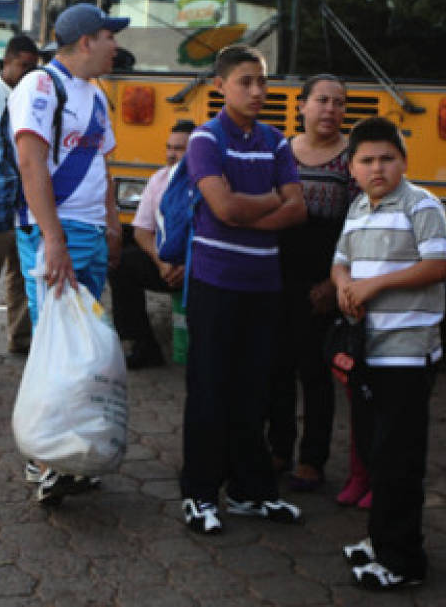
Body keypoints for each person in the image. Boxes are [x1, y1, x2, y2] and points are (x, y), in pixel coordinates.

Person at [180, 44, 306, 535]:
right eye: (245, 82)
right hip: (216, 284)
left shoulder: (276, 141)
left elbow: (297, 209)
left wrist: (248, 204)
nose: (257, 91)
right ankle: (199, 494)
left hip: (263, 284)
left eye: (262, 81)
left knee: (256, 391)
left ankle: (252, 492)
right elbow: (223, 208)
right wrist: (270, 199)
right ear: (220, 86)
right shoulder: (204, 141)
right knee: (209, 390)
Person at [332, 116, 446, 590]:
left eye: (387, 158)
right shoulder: (359, 207)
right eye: (367, 160)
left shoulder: (422, 205)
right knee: (375, 451)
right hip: (368, 350)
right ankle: (379, 539)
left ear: (403, 162)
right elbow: (341, 261)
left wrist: (374, 285)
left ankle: (403, 562)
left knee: (400, 459)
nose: (377, 168)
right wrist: (344, 286)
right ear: (352, 168)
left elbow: (439, 264)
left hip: (406, 352)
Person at [11, 3, 126, 505]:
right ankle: (45, 458)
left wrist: (114, 226)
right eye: (108, 36)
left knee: (83, 346)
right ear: (85, 41)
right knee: (55, 345)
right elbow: (30, 164)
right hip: (52, 232)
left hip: (90, 234)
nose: (115, 45)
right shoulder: (40, 87)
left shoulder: (97, 96)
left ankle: (73, 450)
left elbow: (105, 166)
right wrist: (53, 239)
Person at [268, 75, 354, 492]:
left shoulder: (353, 159)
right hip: (277, 272)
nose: (330, 110)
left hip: (323, 278)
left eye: (339, 103)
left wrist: (333, 285)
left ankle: (313, 458)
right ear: (301, 105)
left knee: (316, 371)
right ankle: (278, 448)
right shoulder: (280, 151)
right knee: (276, 368)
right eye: (322, 100)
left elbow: (357, 228)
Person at [108, 119, 195, 369]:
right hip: (166, 262)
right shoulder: (159, 179)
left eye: (179, 149)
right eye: (169, 147)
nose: (170, 154)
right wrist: (162, 263)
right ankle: (142, 345)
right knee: (120, 264)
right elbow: (142, 230)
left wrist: (188, 266)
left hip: (202, 266)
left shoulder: (211, 180)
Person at [0, 34, 40, 355]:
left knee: (23, 273)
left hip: (27, 199)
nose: (28, 72)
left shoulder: (37, 92)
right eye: (23, 66)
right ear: (7, 61)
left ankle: (21, 336)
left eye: (33, 67)